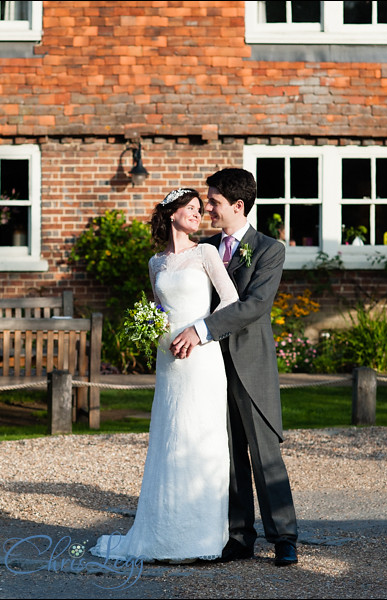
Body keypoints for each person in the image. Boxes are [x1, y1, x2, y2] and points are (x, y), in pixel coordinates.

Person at [90, 188, 239, 563]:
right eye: (189, 209)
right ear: (170, 213)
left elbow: (231, 301)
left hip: (202, 359)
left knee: (198, 437)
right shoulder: (156, 263)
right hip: (168, 361)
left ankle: (200, 538)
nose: (197, 214)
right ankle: (164, 532)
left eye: (199, 210)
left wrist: (199, 331)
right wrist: (151, 328)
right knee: (169, 438)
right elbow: (159, 308)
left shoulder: (205, 252)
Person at [169, 168, 299, 567]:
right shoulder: (204, 247)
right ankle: (239, 535)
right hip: (209, 368)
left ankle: (284, 537)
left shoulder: (268, 250)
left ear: (238, 206)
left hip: (250, 364)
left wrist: (201, 329)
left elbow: (255, 305)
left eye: (214, 202)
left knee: (264, 455)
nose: (207, 208)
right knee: (225, 453)